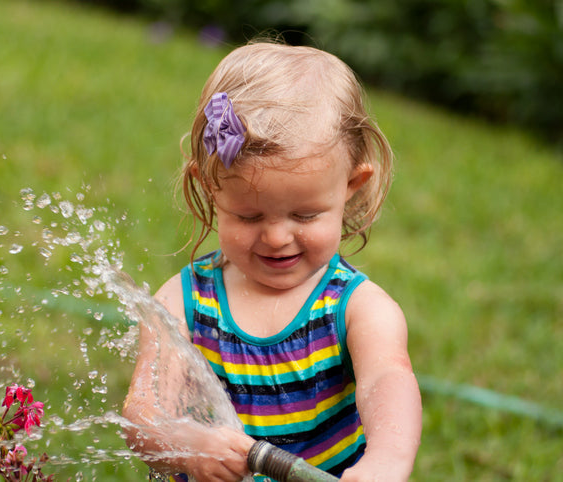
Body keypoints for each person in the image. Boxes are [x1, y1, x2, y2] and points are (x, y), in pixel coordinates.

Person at [123, 41, 422, 482]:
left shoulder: (358, 308)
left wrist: (386, 462)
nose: (277, 237)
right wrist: (187, 445)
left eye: (305, 215)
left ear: (351, 186)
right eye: (249, 215)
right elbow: (144, 412)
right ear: (209, 188)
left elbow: (387, 382)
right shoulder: (185, 302)